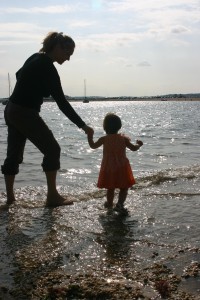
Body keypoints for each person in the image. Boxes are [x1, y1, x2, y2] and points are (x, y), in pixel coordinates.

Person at [1, 32, 93, 206]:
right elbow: (62, 102)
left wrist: (35, 88)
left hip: (11, 109)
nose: (68, 59)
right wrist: (83, 125)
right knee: (52, 150)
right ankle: (52, 197)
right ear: (58, 47)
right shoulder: (48, 67)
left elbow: (18, 74)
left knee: (13, 156)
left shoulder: (35, 57)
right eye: (67, 54)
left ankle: (10, 199)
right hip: (25, 112)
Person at [87, 113, 143, 212]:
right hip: (122, 167)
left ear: (104, 127)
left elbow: (93, 146)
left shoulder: (104, 139)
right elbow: (134, 148)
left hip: (109, 167)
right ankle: (120, 204)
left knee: (110, 187)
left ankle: (109, 204)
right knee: (124, 187)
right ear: (119, 126)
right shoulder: (123, 139)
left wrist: (90, 136)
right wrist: (138, 144)